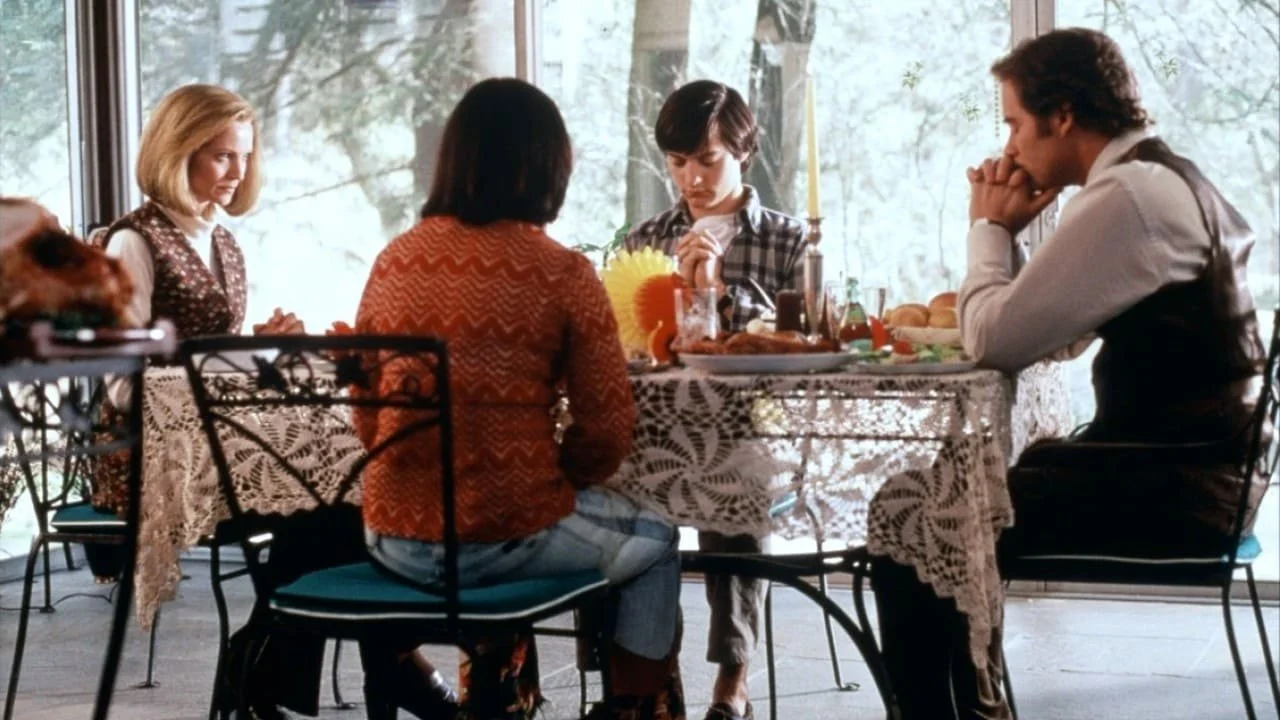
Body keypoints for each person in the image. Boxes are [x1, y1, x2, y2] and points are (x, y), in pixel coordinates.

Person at [870, 28, 1269, 720]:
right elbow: (1053, 336)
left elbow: (994, 341)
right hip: (1209, 475)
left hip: (1178, 490)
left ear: (1061, 115)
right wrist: (1013, 238)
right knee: (946, 497)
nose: (1008, 149)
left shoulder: (1128, 196)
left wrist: (989, 230)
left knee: (910, 511)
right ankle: (975, 708)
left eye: (1014, 124)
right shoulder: (1159, 179)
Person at [353, 77, 684, 720]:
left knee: (525, 514)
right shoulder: (561, 271)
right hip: (500, 545)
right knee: (659, 539)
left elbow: (369, 419)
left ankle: (485, 695)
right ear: (547, 165)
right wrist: (551, 480)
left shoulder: (394, 260)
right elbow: (607, 431)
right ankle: (633, 711)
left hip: (390, 540)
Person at [89, 84, 343, 720]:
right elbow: (120, 382)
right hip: (147, 457)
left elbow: (209, 360)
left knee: (339, 498)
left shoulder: (224, 242)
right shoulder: (132, 243)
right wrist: (223, 374)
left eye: (245, 156)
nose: (238, 171)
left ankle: (257, 667)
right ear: (179, 152)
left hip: (209, 442)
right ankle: (259, 671)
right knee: (325, 508)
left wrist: (263, 352)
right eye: (223, 155)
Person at [624, 79, 807, 720]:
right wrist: (671, 298)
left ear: (743, 152)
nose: (692, 179)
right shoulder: (647, 239)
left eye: (707, 159)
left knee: (733, 472)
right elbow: (629, 345)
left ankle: (734, 673)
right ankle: (642, 673)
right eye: (678, 163)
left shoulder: (787, 240)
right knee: (611, 488)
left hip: (755, 429)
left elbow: (802, 343)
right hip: (658, 428)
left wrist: (720, 294)